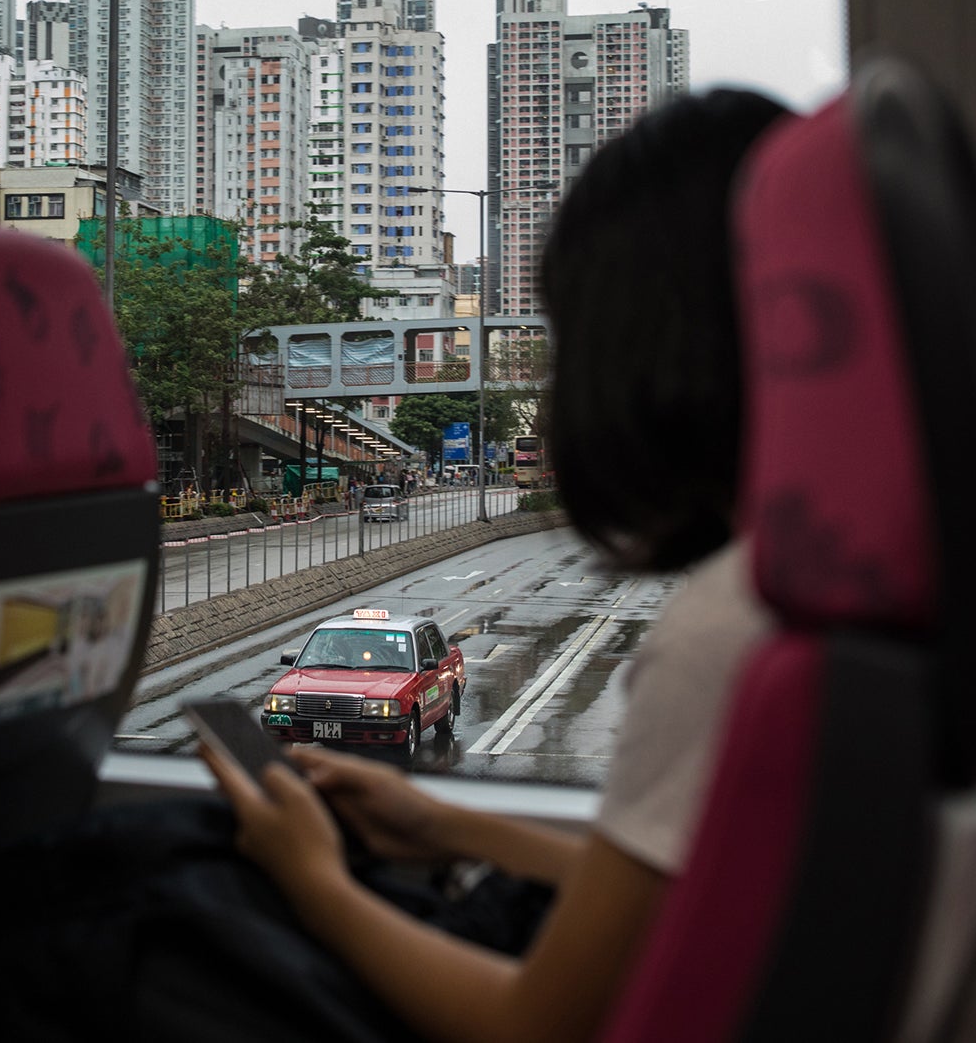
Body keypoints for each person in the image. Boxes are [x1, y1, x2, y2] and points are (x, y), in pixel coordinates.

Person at [201, 89, 791, 1043]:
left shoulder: (728, 639)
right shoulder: (879, 594)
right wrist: (449, 827)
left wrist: (309, 873)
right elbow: (685, 886)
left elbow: (529, 1023)